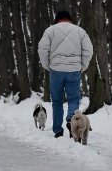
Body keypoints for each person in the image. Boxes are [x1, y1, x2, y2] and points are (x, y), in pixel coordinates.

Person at [38, 10, 93, 138]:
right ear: (70, 19)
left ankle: (58, 130)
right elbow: (88, 50)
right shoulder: (79, 31)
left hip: (56, 71)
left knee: (57, 101)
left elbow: (42, 50)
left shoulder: (50, 31)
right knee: (73, 99)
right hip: (74, 70)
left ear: (57, 19)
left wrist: (49, 66)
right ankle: (71, 119)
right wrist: (82, 66)